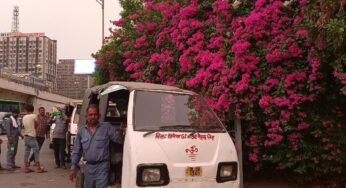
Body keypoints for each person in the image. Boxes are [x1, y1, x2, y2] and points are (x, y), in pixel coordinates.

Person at [69, 104, 123, 188]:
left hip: (102, 166)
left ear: (99, 116)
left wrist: (124, 132)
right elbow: (76, 151)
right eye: (90, 115)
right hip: (88, 167)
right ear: (86, 116)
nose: (93, 117)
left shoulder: (107, 127)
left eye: (95, 114)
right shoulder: (81, 132)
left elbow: (120, 139)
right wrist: (73, 167)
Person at [22, 104, 45, 173]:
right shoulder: (34, 116)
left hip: (26, 136)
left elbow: (23, 126)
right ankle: (39, 168)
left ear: (26, 110)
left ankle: (26, 168)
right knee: (36, 152)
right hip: (32, 136)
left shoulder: (24, 117)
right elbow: (37, 124)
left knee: (26, 152)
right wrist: (33, 128)